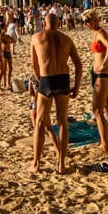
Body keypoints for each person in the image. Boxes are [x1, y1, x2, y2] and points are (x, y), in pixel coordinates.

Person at [29, 10, 82, 174]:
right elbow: (78, 65)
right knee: (62, 123)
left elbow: (33, 65)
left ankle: (36, 164)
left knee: (39, 123)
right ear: (59, 24)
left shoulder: (36, 37)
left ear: (44, 24)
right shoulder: (66, 39)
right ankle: (61, 164)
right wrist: (77, 86)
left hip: (47, 79)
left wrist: (40, 81)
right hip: (63, 80)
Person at [85, 13, 108, 154]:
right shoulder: (97, 33)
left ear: (95, 20)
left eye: (88, 20)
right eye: (84, 21)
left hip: (103, 75)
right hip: (103, 75)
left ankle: (104, 145)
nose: (86, 23)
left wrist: (103, 64)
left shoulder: (101, 34)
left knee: (97, 110)